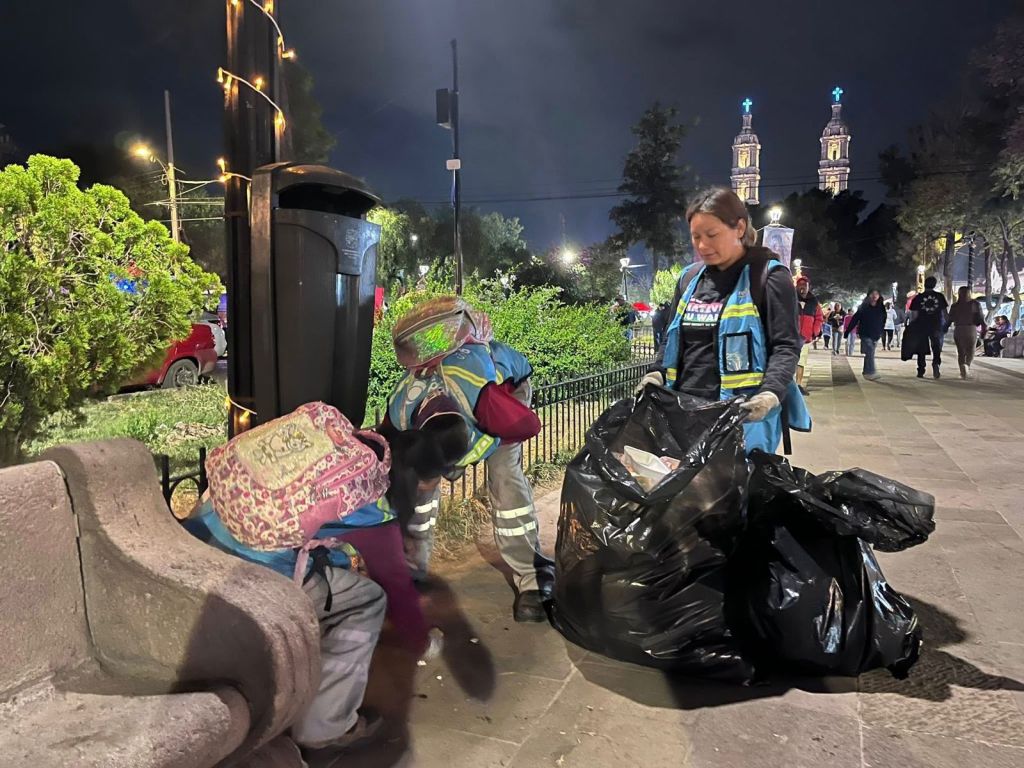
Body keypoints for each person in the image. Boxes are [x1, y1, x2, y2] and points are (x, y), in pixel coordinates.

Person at [387, 305, 554, 622]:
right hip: (451, 416)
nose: (433, 480)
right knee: (418, 498)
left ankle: (533, 578)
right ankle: (412, 572)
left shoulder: (487, 400)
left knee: (505, 479)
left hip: (507, 396)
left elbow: (528, 425)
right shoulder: (400, 408)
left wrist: (491, 440)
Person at [638, 187, 811, 455]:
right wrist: (657, 372)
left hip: (741, 418)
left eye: (712, 235)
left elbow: (785, 346)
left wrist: (770, 394)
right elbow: (672, 337)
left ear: (739, 227)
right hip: (683, 415)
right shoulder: (689, 280)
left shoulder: (769, 278)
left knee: (734, 494)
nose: (703, 245)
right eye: (696, 237)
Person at [908, 276, 949, 379]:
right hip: (936, 325)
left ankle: (921, 369)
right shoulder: (939, 296)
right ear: (934, 285)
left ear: (924, 284)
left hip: (921, 325)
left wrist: (913, 325)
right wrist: (946, 324)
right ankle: (936, 363)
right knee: (936, 347)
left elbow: (914, 314)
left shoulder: (918, 298)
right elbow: (945, 313)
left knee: (921, 348)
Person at [845, 290, 886, 381]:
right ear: (869, 295)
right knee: (870, 351)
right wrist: (847, 331)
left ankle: (866, 372)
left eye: (876, 294)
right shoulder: (863, 307)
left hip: (875, 334)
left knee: (869, 353)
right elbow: (855, 319)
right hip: (865, 333)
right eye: (872, 294)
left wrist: (881, 331)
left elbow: (883, 320)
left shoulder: (881, 307)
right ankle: (871, 372)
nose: (874, 296)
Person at [947, 286, 986, 378]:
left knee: (961, 352)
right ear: (969, 293)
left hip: (959, 329)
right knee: (971, 350)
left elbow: (949, 319)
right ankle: (967, 365)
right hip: (970, 328)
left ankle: (962, 371)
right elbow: (981, 318)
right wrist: (984, 329)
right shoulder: (975, 304)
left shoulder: (955, 306)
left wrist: (944, 329)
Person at [795, 276, 823, 395]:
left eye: (804, 285)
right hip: (791, 337)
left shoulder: (814, 302)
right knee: (789, 361)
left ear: (808, 287)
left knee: (801, 362)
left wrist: (814, 332)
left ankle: (798, 385)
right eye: (800, 285)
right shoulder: (790, 299)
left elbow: (819, 318)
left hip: (805, 338)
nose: (802, 287)